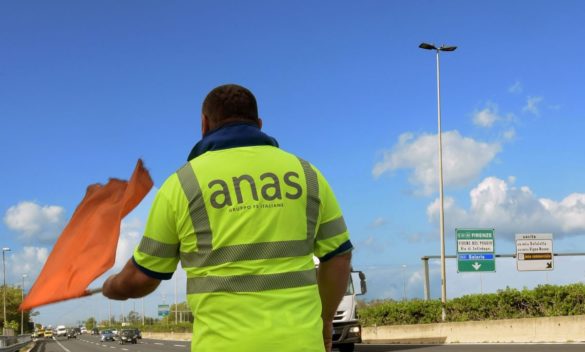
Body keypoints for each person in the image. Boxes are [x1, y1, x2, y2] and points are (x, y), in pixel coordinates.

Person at [102, 84, 353, 352]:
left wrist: (112, 287)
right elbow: (339, 257)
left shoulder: (181, 185)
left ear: (204, 124)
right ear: (258, 123)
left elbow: (142, 278)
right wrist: (325, 320)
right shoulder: (307, 174)